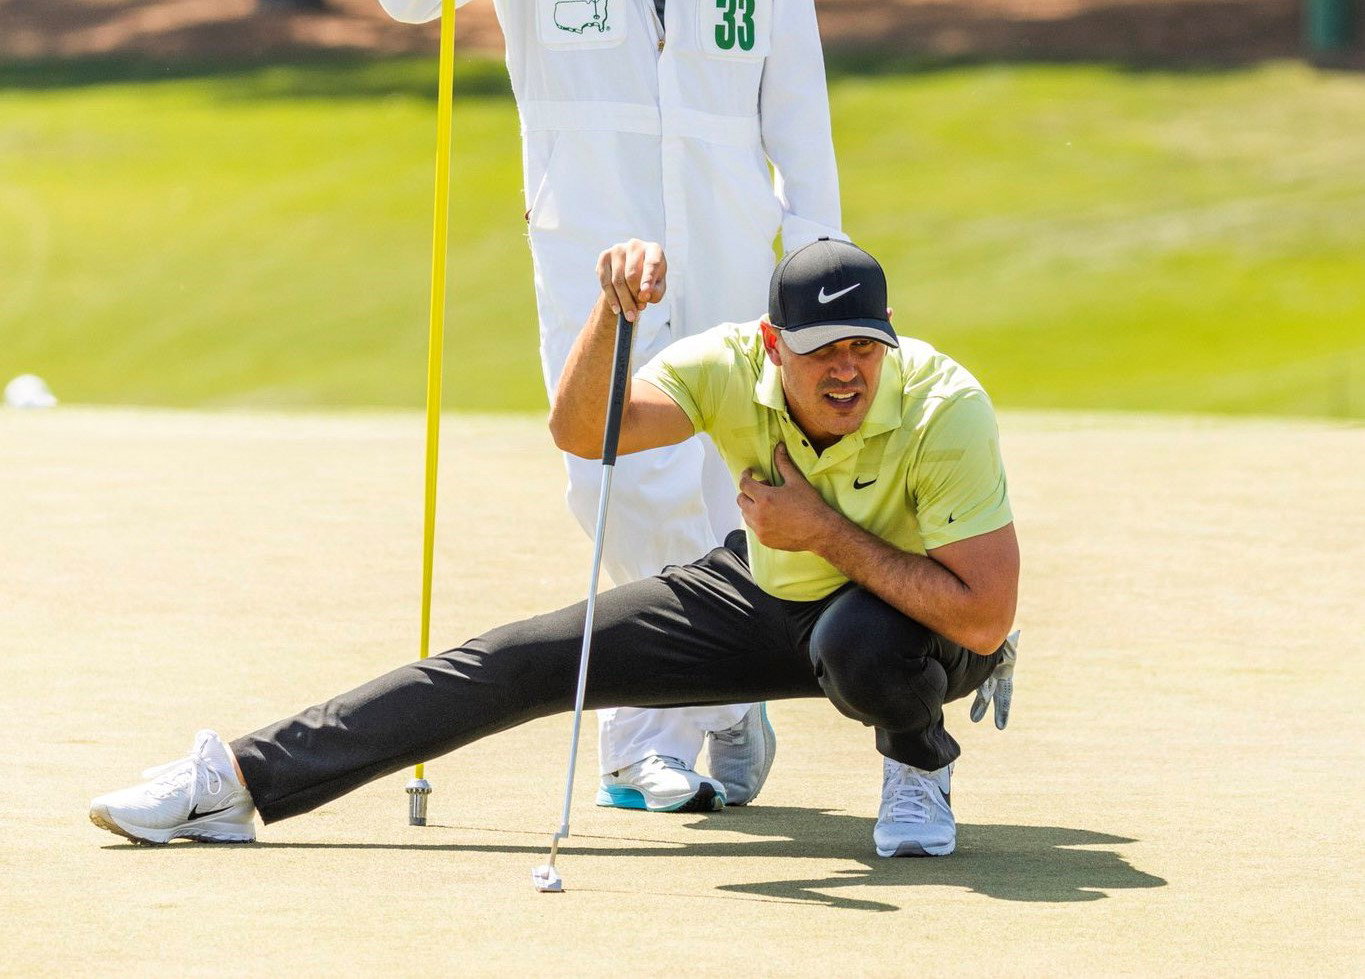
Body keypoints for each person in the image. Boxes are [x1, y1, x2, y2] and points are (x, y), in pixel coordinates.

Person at [89, 238, 1019, 858]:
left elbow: (984, 610)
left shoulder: (945, 406)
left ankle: (916, 765)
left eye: (864, 343)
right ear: (774, 343)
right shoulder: (729, 362)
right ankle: (240, 778)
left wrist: (819, 530)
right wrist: (611, 313)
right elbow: (588, 432)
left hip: (915, 627)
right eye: (822, 349)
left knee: (859, 644)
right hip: (763, 584)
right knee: (523, 659)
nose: (849, 368)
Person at [376, 0, 844, 810]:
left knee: (718, 487)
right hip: (588, 250)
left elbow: (800, 118)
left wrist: (816, 268)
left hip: (731, 245)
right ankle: (727, 694)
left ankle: (645, 745)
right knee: (610, 478)